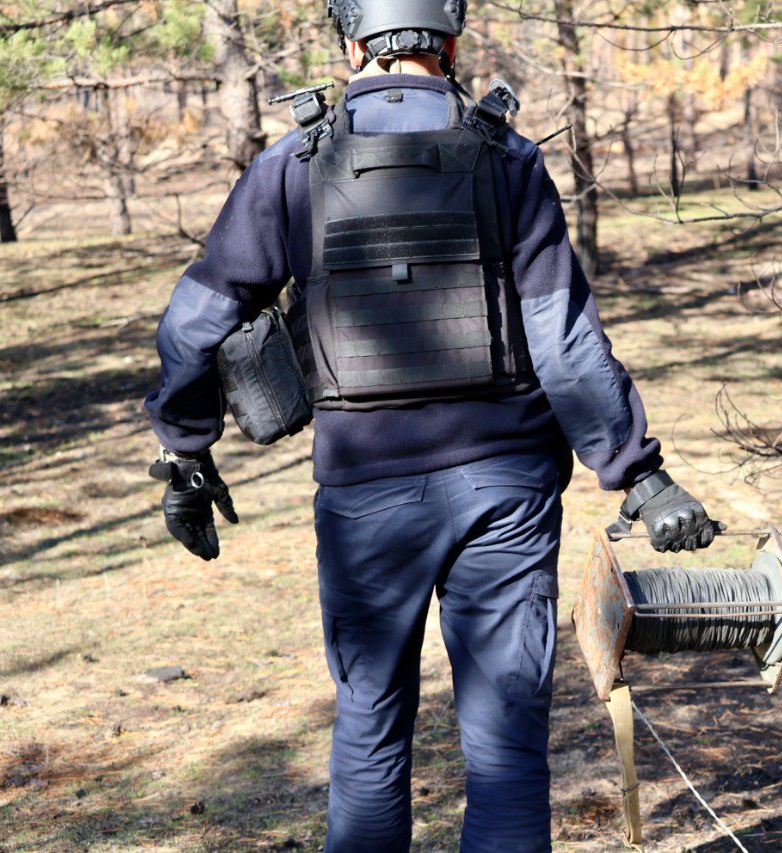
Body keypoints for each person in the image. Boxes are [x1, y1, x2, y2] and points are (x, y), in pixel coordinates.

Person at [143, 1, 721, 849]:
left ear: (352, 45)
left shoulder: (290, 164)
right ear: (449, 41)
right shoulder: (509, 158)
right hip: (507, 492)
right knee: (506, 748)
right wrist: (637, 472)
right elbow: (562, 344)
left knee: (370, 729)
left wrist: (187, 451)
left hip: (365, 495)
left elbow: (193, 324)